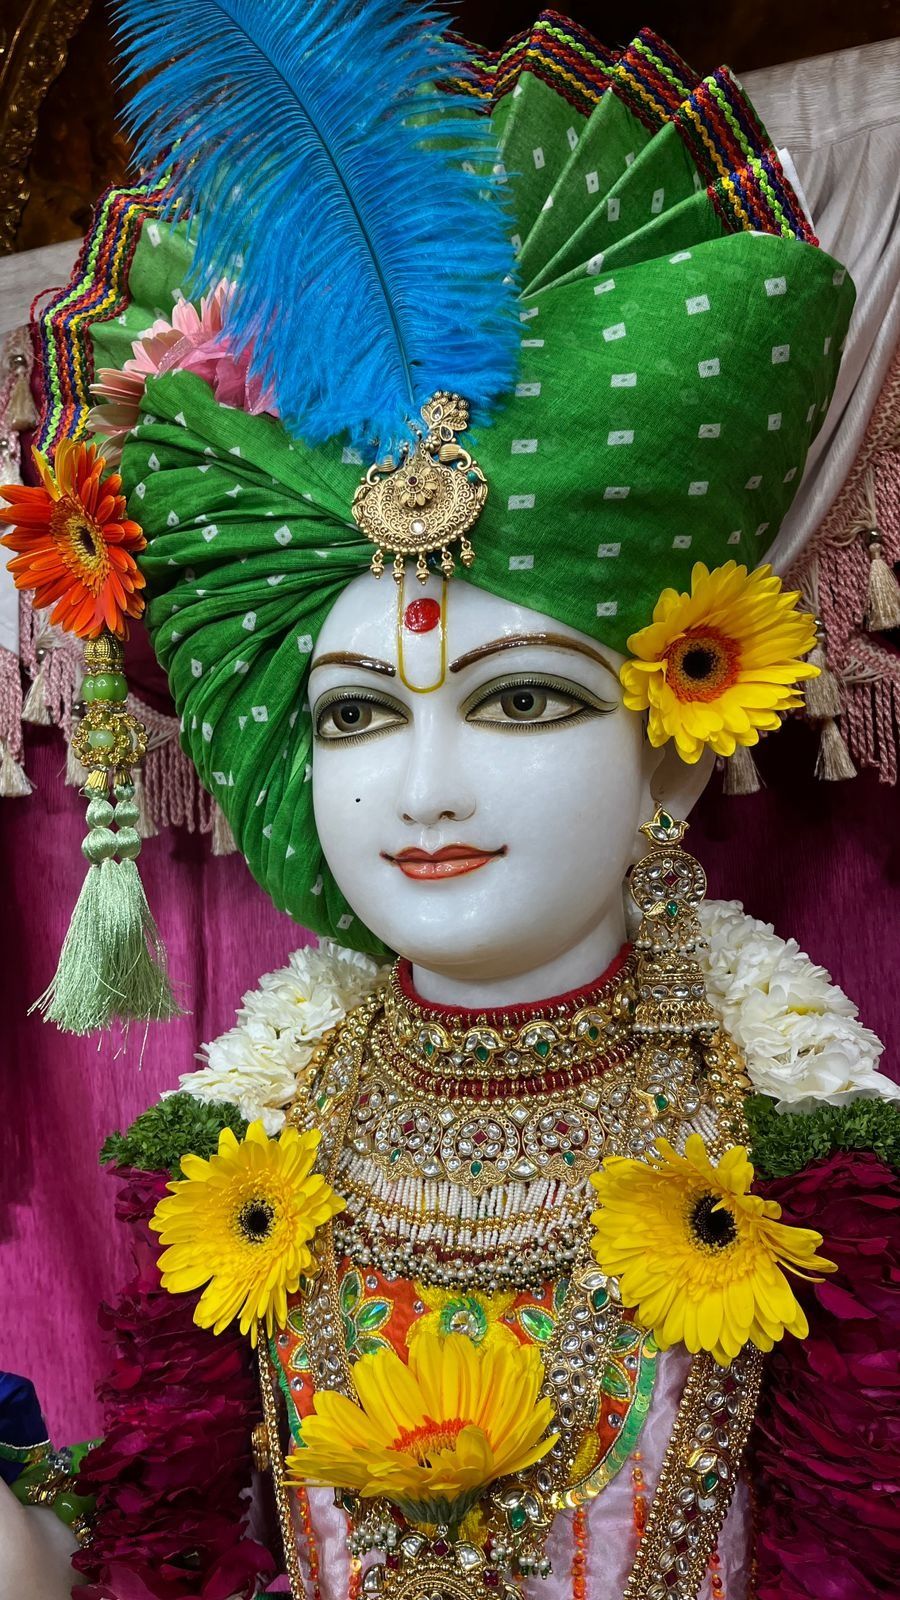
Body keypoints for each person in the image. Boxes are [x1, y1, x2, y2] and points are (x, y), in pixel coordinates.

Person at [3, 6, 897, 1599]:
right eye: (354, 715)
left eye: (522, 699)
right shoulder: (238, 1140)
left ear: (676, 738)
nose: (421, 787)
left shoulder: (797, 1131)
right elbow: (175, 1542)